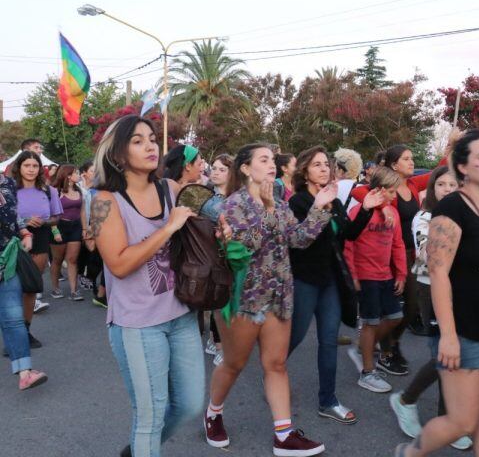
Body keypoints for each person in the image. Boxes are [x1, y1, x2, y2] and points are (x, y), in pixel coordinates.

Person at [395, 130, 479, 457]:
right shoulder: (451, 209)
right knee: (462, 420)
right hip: (464, 326)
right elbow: (438, 273)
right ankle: (409, 453)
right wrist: (449, 336)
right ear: (463, 167)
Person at [205, 143, 335, 456]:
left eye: (272, 160)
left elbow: (298, 239)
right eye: (263, 160)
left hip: (278, 295)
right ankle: (213, 414)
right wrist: (266, 209)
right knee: (234, 364)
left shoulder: (279, 200)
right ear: (246, 169)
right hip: (244, 300)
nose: (271, 164)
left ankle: (284, 435)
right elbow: (246, 245)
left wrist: (319, 207)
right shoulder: (231, 204)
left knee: (276, 364)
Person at [91, 116, 204, 457]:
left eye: (152, 139)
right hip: (138, 325)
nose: (151, 145)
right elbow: (120, 265)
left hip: (181, 314)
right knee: (150, 416)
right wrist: (168, 229)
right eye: (138, 140)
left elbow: (193, 240)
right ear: (117, 154)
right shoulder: (103, 201)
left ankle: (141, 448)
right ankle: (145, 446)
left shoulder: (170, 190)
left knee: (190, 405)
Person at [288, 145, 386, 424]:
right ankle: (274, 374)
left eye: (326, 164)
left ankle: (328, 401)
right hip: (305, 280)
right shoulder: (298, 203)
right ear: (305, 171)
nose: (324, 169)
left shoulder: (336, 201)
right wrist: (318, 208)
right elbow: (301, 244)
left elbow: (348, 235)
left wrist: (365, 210)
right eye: (317, 164)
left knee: (329, 342)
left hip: (330, 282)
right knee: (293, 338)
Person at [389, 166, 473, 450]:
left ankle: (445, 420)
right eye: (443, 185)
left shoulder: (467, 215)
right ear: (432, 190)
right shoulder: (424, 218)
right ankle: (406, 400)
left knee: (455, 355)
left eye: (453, 185)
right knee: (446, 355)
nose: (448, 190)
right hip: (429, 288)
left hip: (461, 288)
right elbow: (429, 256)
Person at [350, 144, 434, 372]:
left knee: (410, 306)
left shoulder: (413, 184)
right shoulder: (386, 189)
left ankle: (381, 343)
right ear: (394, 164)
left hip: (408, 252)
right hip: (384, 258)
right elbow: (359, 192)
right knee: (387, 311)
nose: (412, 162)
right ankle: (385, 351)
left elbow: (439, 173)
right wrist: (382, 205)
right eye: (406, 158)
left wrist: (453, 147)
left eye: (412, 157)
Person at [345, 166, 407, 393]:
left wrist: (401, 273)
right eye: (391, 191)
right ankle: (367, 372)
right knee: (370, 322)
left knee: (395, 316)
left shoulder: (394, 213)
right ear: (380, 189)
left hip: (386, 275)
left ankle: (364, 347)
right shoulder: (360, 211)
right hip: (365, 275)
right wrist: (353, 275)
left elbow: (398, 244)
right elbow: (348, 244)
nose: (395, 196)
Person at [0, 169, 48, 390]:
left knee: (13, 318)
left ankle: (25, 373)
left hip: (6, 260)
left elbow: (14, 215)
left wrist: (25, 233)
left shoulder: (7, 183)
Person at [12, 151, 62, 347]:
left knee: (30, 288)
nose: (31, 169)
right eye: (27, 165)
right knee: (12, 290)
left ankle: (25, 331)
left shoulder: (49, 191)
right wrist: (23, 221)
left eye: (35, 166)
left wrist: (45, 221)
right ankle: (12, 334)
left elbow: (56, 217)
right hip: (13, 240)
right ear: (19, 167)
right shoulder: (8, 190)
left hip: (40, 239)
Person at [202, 153, 233, 366]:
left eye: (222, 169)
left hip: (232, 256)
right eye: (214, 168)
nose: (215, 172)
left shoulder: (238, 199)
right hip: (212, 255)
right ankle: (218, 343)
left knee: (225, 299)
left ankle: (217, 341)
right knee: (218, 300)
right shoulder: (207, 199)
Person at [49, 165, 84, 301]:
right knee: (57, 260)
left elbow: (82, 210)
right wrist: (54, 230)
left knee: (72, 259)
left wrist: (85, 229)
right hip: (59, 226)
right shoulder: (56, 191)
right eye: (76, 172)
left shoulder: (78, 189)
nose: (79, 174)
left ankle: (74, 291)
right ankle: (55, 288)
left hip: (76, 226)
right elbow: (51, 213)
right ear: (68, 175)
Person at [78, 160, 107, 307]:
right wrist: (86, 229)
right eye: (92, 171)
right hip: (92, 228)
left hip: (103, 228)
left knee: (100, 259)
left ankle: (97, 286)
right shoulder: (83, 190)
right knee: (95, 258)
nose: (95, 173)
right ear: (84, 173)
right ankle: (90, 280)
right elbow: (84, 211)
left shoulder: (103, 187)